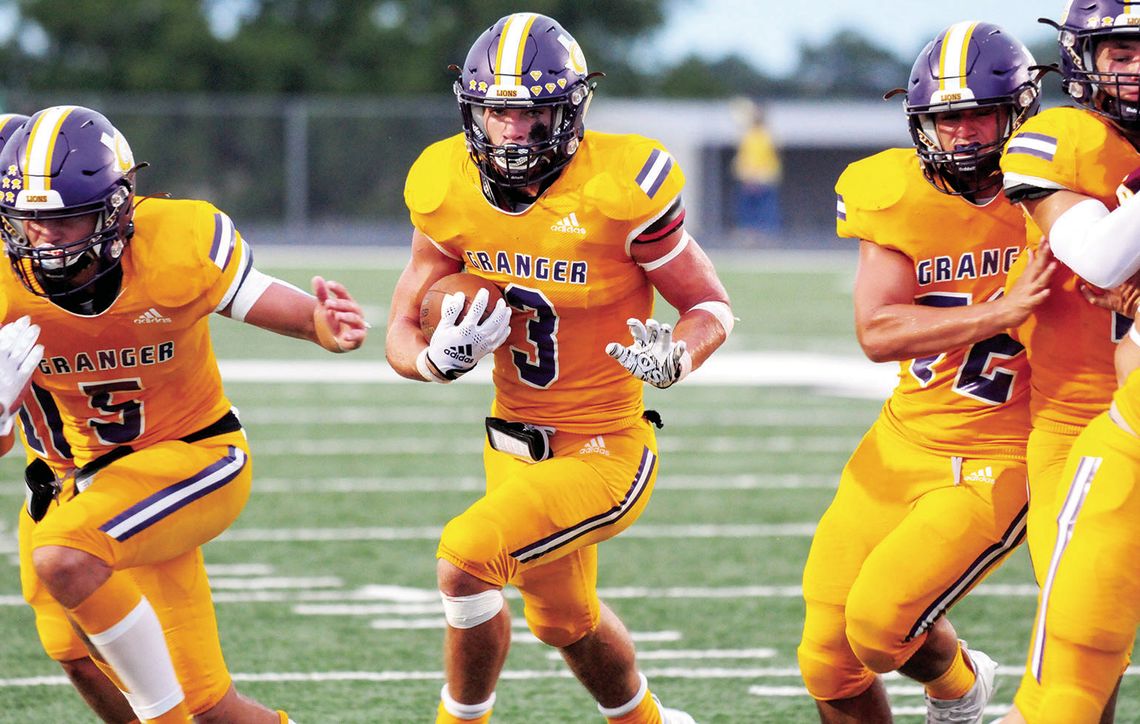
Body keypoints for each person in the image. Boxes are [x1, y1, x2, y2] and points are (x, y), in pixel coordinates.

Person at [385, 12, 733, 724]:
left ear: (570, 111)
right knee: (564, 623)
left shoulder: (619, 188)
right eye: (498, 111)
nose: (511, 129)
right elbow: (398, 325)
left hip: (605, 448)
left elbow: (711, 306)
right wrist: (431, 360)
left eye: (531, 111)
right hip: (511, 442)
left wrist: (678, 353)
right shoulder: (443, 182)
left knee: (465, 558)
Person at [0, 104, 369, 723]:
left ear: (117, 209)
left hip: (192, 459)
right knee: (163, 687)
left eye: (64, 220)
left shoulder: (177, 244)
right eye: (29, 220)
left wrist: (323, 325)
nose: (44, 237)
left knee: (65, 556)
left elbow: (272, 303)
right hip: (74, 482)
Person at [796, 22, 1055, 724]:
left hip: (1003, 452)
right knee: (826, 658)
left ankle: (961, 687)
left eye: (980, 115)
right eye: (947, 119)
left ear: (1020, 114)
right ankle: (962, 688)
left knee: (880, 627)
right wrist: (1000, 311)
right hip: (904, 438)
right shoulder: (892, 191)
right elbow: (878, 332)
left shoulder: (1062, 191)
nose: (964, 135)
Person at [995, 2, 1140, 721]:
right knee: (1083, 639)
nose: (1136, 66)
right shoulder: (1057, 138)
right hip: (1080, 417)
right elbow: (1101, 258)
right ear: (1084, 58)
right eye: (1120, 50)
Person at [731, 100, 782, 235]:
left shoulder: (766, 135)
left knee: (765, 207)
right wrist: (746, 175)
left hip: (764, 177)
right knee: (748, 207)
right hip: (749, 177)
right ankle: (749, 231)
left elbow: (767, 158)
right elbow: (744, 157)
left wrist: (757, 176)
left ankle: (767, 232)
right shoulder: (748, 135)